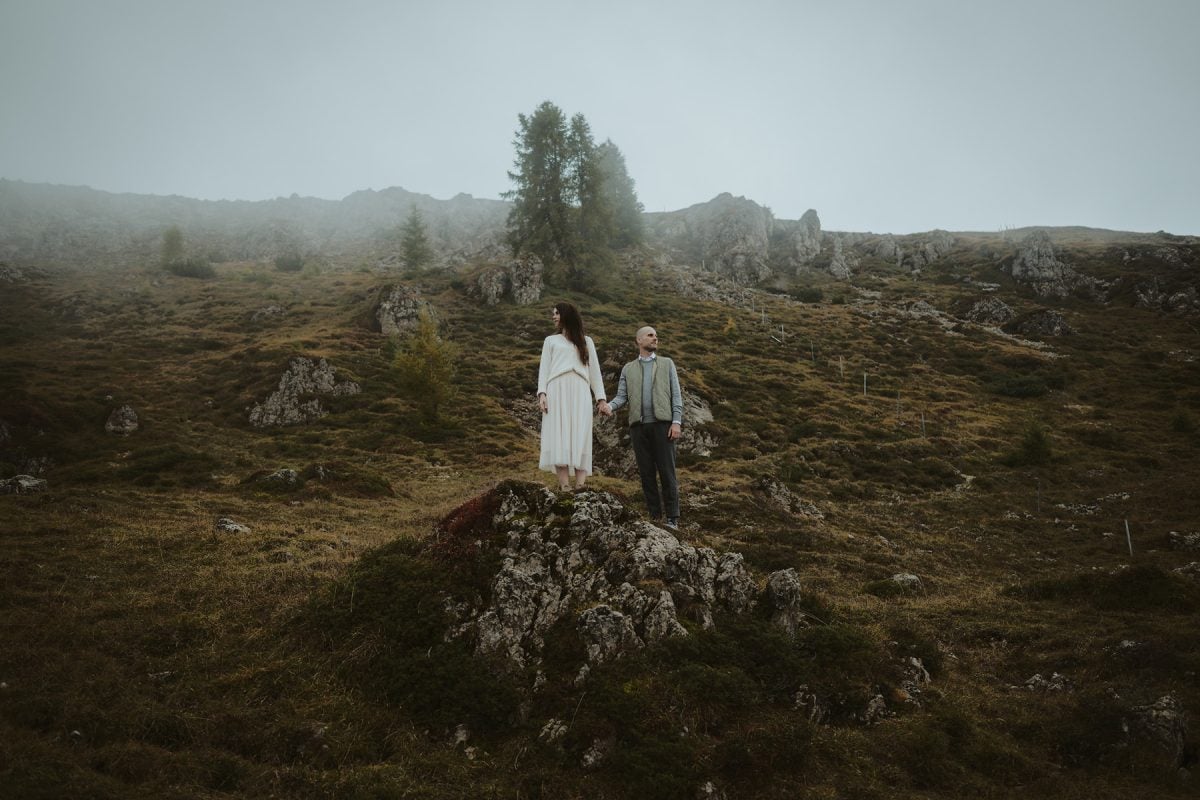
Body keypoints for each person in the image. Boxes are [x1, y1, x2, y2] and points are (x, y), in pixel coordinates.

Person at [598, 326, 683, 528]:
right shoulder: (628, 369)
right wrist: (609, 406)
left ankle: (672, 518)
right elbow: (622, 397)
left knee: (667, 472)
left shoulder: (667, 363)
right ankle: (655, 517)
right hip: (638, 428)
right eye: (650, 335)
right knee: (646, 474)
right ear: (638, 340)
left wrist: (676, 421)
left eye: (656, 336)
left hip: (663, 425)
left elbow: (676, 395)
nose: (655, 338)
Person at [537, 302, 607, 491]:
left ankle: (581, 486)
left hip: (580, 390)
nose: (554, 317)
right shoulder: (550, 341)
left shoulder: (587, 342)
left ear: (567, 315)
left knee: (580, 433)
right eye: (553, 313)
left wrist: (601, 398)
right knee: (559, 433)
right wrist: (542, 393)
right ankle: (565, 485)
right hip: (556, 389)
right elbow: (544, 369)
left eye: (557, 313)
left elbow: (595, 373)